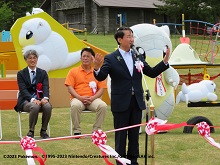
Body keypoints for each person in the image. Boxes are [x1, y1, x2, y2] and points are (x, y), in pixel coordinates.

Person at [93, 27, 170, 165]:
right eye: (128, 36)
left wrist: (164, 61)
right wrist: (97, 68)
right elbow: (101, 76)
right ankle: (121, 162)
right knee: (121, 136)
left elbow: (151, 72)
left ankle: (133, 161)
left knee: (134, 135)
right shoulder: (111, 58)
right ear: (120, 39)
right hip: (121, 102)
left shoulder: (137, 56)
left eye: (132, 36)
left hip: (136, 101)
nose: (131, 39)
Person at [65, 47, 107, 136]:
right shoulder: (73, 71)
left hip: (93, 99)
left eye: (88, 56)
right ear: (80, 58)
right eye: (83, 56)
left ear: (92, 59)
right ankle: (77, 130)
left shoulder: (97, 72)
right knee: (75, 105)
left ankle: (96, 130)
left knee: (103, 106)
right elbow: (70, 88)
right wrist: (79, 97)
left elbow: (102, 89)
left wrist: (92, 98)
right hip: (78, 98)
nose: (85, 58)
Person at [14, 50, 52, 139]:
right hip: (26, 101)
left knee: (48, 106)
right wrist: (33, 100)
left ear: (37, 59)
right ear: (25, 60)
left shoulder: (43, 73)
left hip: (40, 99)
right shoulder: (21, 74)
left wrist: (45, 98)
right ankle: (31, 131)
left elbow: (46, 87)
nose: (32, 60)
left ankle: (43, 131)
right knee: (34, 106)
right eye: (30, 58)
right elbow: (23, 90)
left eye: (34, 58)